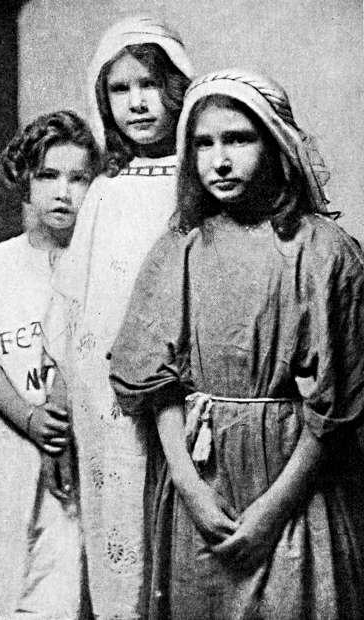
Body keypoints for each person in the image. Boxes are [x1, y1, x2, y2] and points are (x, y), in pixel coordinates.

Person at [110, 69, 364, 619]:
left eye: (238, 140)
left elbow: (336, 406)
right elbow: (154, 381)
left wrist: (272, 512)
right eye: (204, 144)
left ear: (276, 145)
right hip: (202, 482)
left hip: (293, 484)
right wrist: (189, 487)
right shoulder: (180, 247)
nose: (219, 161)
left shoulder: (324, 252)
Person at [43, 15, 193, 619]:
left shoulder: (196, 182)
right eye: (119, 89)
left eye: (149, 84)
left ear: (177, 87)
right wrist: (60, 403)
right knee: (117, 537)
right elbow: (72, 303)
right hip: (101, 401)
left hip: (177, 389)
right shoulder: (105, 189)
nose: (136, 103)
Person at [0, 110, 100, 619]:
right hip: (6, 445)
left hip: (72, 454)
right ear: (26, 180)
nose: (63, 192)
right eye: (48, 175)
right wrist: (28, 418)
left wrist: (56, 425)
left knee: (61, 585)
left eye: (78, 178)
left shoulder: (98, 265)